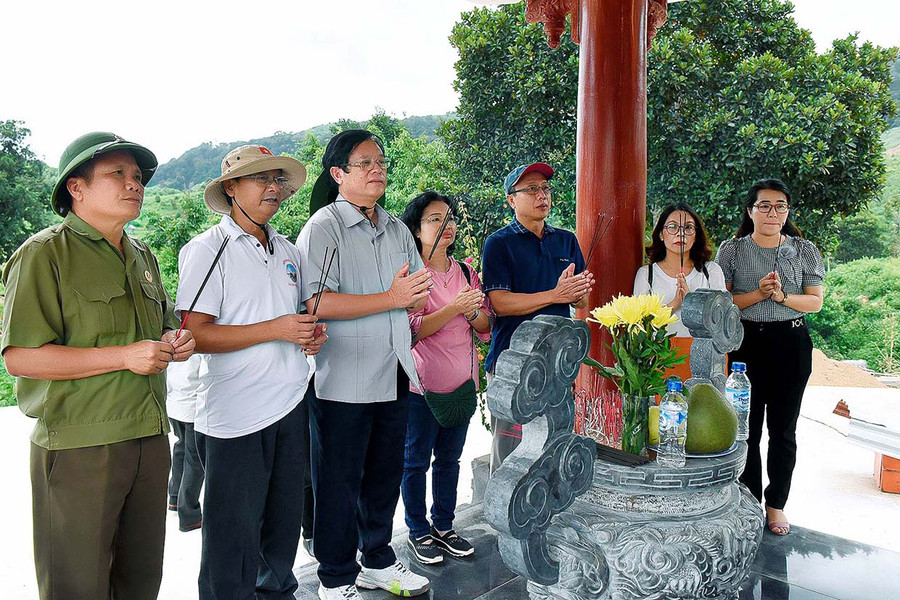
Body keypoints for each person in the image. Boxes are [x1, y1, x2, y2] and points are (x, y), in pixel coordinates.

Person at [1, 131, 195, 600]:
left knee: (140, 579)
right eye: (117, 174)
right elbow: (21, 357)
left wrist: (176, 340)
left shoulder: (141, 255)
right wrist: (124, 356)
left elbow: (162, 325)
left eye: (138, 176)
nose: (134, 184)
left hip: (150, 437)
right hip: (81, 447)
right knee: (77, 585)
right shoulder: (44, 254)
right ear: (77, 187)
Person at [177, 145, 327, 599]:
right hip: (234, 416)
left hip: (290, 404)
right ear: (230, 188)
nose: (273, 187)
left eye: (278, 179)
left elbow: (292, 320)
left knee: (281, 529)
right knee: (231, 539)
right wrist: (276, 329)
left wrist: (307, 336)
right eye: (260, 178)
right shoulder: (207, 249)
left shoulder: (288, 250)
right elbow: (194, 334)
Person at [296, 130, 432, 600]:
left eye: (381, 161)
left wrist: (410, 296)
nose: (378, 170)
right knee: (338, 481)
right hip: (342, 378)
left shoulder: (395, 228)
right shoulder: (323, 228)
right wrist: (391, 297)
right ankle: (335, 576)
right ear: (338, 174)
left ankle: (377, 560)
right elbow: (316, 301)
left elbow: (417, 291)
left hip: (393, 368)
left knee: (383, 476)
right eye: (365, 163)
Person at [716, 178, 824, 536]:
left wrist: (781, 297)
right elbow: (723, 302)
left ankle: (776, 504)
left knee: (783, 430)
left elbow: (815, 302)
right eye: (764, 206)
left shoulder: (804, 249)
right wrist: (759, 293)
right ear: (750, 211)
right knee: (745, 428)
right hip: (745, 345)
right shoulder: (732, 250)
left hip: (791, 343)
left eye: (780, 206)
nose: (772, 213)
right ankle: (748, 499)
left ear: (787, 211)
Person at [399, 192, 493, 565]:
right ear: (416, 229)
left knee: (449, 460)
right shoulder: (412, 277)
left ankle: (444, 526)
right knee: (415, 461)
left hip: (462, 384)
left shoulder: (466, 273)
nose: (446, 225)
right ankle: (417, 531)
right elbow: (410, 332)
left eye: (449, 218)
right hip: (421, 388)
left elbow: (485, 328)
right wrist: (455, 307)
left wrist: (469, 312)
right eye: (434, 219)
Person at [481, 162, 594, 472]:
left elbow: (581, 301)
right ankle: (502, 505)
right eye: (531, 189)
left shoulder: (566, 240)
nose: (542, 195)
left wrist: (577, 292)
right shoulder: (499, 243)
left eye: (545, 188)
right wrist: (554, 295)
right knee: (510, 456)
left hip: (557, 363)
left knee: (554, 448)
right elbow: (499, 303)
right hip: (513, 362)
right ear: (511, 199)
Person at [633, 204, 727, 382]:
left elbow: (723, 320)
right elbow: (639, 324)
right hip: (659, 356)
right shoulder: (647, 274)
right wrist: (674, 304)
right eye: (672, 227)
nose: (680, 233)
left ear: (696, 235)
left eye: (688, 228)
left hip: (706, 355)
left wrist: (692, 303)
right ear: (661, 234)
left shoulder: (711, 271)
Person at [166, 352, 205, 532]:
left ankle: (174, 498)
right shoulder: (197, 347)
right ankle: (189, 516)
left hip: (174, 405)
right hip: (192, 408)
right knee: (195, 462)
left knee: (181, 448)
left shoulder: (173, 340)